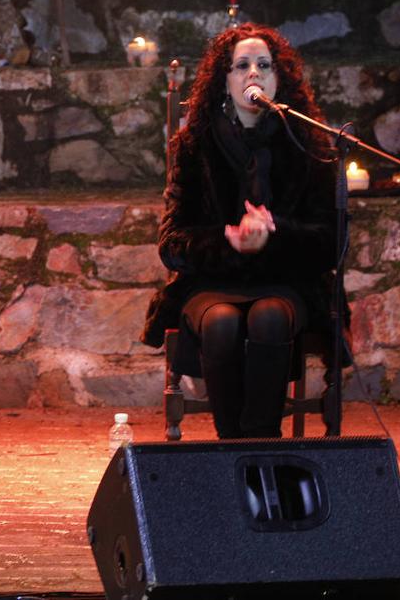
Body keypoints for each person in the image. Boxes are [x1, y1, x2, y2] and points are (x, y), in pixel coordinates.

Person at [142, 23, 348, 439]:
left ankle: (262, 447)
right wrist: (227, 239)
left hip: (286, 283)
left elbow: (332, 242)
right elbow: (172, 244)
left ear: (279, 79)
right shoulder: (193, 145)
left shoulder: (309, 143)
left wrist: (277, 234)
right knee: (221, 322)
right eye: (241, 65)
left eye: (263, 65)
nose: (253, 73)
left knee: (270, 317)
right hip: (211, 284)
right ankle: (232, 449)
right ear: (225, 80)